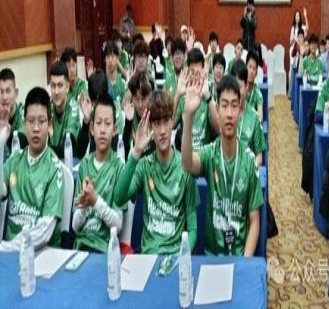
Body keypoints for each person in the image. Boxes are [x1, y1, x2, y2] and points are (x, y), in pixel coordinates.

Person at [181, 74, 264, 256]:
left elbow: (254, 221)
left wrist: (244, 262)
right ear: (217, 109)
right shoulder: (210, 153)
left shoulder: (249, 162)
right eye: (224, 105)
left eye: (234, 105)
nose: (229, 114)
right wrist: (188, 116)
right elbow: (187, 164)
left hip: (240, 255)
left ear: (240, 110)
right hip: (212, 256)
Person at [115, 91, 199, 254]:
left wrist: (182, 255)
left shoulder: (185, 167)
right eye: (156, 123)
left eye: (166, 121)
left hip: (175, 255)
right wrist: (136, 152)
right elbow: (119, 198)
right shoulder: (144, 165)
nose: (162, 131)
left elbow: (193, 229)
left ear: (172, 122)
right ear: (150, 127)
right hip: (148, 256)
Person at [0, 87, 64, 251]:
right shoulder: (15, 160)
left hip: (41, 255)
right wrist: (0, 144)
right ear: (24, 123)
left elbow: (44, 233)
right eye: (31, 121)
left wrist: (7, 247)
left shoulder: (54, 168)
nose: (36, 128)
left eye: (41, 121)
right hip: (9, 255)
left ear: (49, 124)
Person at [72, 94, 125, 253]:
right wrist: (84, 205)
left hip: (104, 249)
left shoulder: (119, 167)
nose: (102, 130)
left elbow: (118, 225)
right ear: (91, 128)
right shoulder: (84, 166)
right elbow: (75, 226)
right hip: (80, 247)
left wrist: (95, 201)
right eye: (98, 123)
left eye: (107, 124)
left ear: (114, 130)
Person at [174, 48, 219, 150]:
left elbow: (219, 129)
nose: (195, 76)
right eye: (192, 72)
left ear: (203, 71)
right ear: (188, 71)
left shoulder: (208, 96)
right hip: (186, 154)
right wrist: (177, 94)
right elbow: (171, 124)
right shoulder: (183, 97)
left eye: (198, 72)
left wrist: (208, 97)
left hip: (203, 155)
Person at [232, 61, 266, 166]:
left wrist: (247, 170)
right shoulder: (224, 114)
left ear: (246, 86)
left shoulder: (254, 117)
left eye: (239, 87)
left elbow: (259, 157)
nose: (236, 93)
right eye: (233, 87)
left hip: (247, 170)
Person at [48, 60, 81, 159]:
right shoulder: (47, 107)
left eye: (60, 85)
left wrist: (51, 135)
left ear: (67, 87)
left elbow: (66, 149)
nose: (56, 92)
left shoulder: (73, 107)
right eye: (53, 86)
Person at [0, 68, 27, 159]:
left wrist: (5, 133)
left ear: (16, 93)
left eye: (8, 91)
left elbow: (19, 147)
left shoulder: (24, 113)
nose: (4, 97)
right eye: (1, 92)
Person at [127, 71, 156, 156]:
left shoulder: (158, 116)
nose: (140, 105)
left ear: (151, 96)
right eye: (136, 99)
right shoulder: (129, 117)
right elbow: (125, 152)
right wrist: (128, 122)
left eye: (143, 99)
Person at [245, 50, 264, 122]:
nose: (251, 71)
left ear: (256, 73)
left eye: (254, 68)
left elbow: (260, 118)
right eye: (250, 67)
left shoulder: (258, 94)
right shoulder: (239, 88)